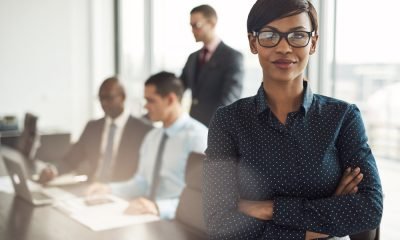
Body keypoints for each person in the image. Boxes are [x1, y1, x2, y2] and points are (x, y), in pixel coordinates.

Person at [203, 0, 383, 239]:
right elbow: (219, 222)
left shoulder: (343, 117)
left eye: (298, 35)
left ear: (313, 43)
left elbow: (369, 209)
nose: (284, 48)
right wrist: (326, 217)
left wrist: (269, 208)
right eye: (270, 35)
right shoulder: (228, 121)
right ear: (253, 42)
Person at [87, 71, 208, 219]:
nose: (146, 107)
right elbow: (141, 183)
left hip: (178, 221)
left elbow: (204, 199)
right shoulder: (152, 137)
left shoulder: (199, 138)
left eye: (150, 101)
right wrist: (108, 189)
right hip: (145, 215)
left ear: (170, 100)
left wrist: (159, 207)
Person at [39, 77, 152, 183]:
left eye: (109, 98)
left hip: (123, 194)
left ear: (123, 97)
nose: (104, 103)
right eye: (101, 98)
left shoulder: (143, 130)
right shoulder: (92, 127)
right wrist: (54, 169)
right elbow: (71, 159)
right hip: (91, 190)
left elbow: (144, 175)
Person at [180, 4, 244, 126]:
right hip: (193, 126)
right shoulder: (192, 57)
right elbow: (179, 87)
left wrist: (217, 129)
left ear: (212, 23)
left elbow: (230, 99)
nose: (192, 30)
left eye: (196, 25)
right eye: (191, 26)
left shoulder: (232, 57)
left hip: (217, 128)